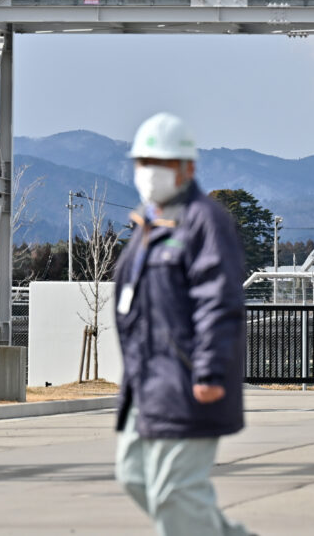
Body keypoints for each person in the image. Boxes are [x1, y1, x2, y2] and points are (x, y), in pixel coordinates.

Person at [113, 112, 252, 536]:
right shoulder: (147, 226)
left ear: (188, 168)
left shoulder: (203, 221)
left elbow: (219, 300)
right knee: (134, 476)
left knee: (174, 493)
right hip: (146, 382)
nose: (150, 171)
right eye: (143, 161)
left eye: (161, 162)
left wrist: (208, 370)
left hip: (189, 379)